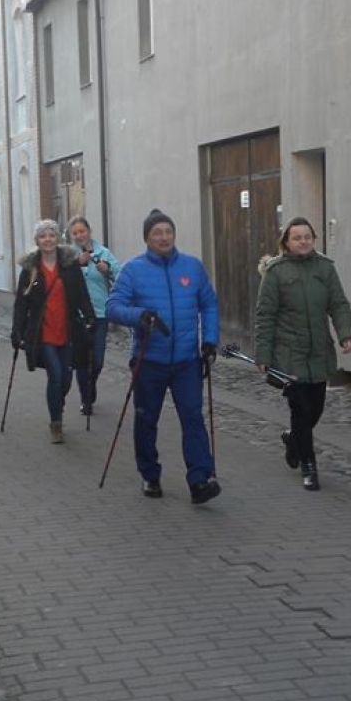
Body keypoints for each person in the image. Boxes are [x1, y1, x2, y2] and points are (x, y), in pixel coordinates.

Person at [106, 208, 221, 505]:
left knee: (193, 418)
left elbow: (209, 304)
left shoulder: (192, 267)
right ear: (147, 238)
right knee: (146, 420)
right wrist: (140, 315)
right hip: (149, 361)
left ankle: (200, 480)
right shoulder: (133, 270)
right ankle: (150, 474)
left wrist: (209, 340)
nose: (164, 237)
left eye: (168, 231)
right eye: (157, 233)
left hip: (186, 361)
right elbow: (113, 307)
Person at [254, 216, 351, 492]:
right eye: (296, 237)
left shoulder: (325, 268)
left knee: (316, 409)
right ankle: (309, 466)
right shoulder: (276, 272)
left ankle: (293, 438)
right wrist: (262, 354)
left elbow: (338, 303)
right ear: (286, 241)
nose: (303, 241)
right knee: (300, 409)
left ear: (313, 239)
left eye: (307, 236)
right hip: (290, 354)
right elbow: (265, 316)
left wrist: (346, 333)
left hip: (319, 350)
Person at [11, 219, 96, 444]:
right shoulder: (30, 269)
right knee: (56, 376)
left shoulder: (69, 264)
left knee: (66, 380)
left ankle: (57, 403)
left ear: (57, 237)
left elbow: (81, 293)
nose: (47, 240)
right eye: (43, 236)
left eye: (51, 235)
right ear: (37, 241)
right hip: (43, 332)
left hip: (68, 330)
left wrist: (89, 316)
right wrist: (17, 331)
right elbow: (21, 303)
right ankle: (56, 423)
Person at [66, 215, 121, 414]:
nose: (79, 235)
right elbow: (63, 282)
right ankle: (86, 399)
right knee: (81, 359)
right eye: (75, 233)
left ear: (89, 231)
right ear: (71, 236)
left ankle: (91, 383)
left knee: (97, 360)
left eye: (82, 231)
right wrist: (77, 265)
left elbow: (120, 274)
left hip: (100, 313)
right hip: (78, 315)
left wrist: (107, 270)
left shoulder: (103, 252)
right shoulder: (68, 256)